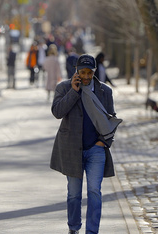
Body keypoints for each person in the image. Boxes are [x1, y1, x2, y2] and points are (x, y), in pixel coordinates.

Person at [50, 54, 121, 234]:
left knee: (94, 192)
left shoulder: (105, 91)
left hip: (95, 149)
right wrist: (74, 92)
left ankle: (92, 231)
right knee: (74, 194)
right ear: (77, 71)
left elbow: (110, 120)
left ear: (94, 71)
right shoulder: (64, 87)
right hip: (72, 149)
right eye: (83, 72)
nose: (87, 76)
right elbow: (57, 112)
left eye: (90, 72)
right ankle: (73, 228)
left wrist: (101, 143)